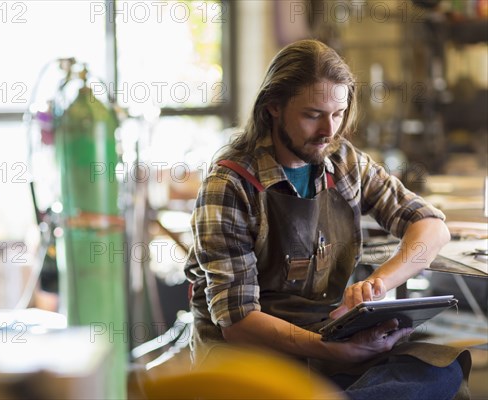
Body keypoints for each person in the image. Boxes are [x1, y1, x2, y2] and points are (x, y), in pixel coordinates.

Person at [184, 39, 470, 399]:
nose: (328, 130)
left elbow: (431, 226)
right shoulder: (229, 186)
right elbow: (237, 323)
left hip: (325, 338)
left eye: (337, 113)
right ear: (273, 106)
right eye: (312, 114)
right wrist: (331, 349)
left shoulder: (344, 162)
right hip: (249, 358)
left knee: (443, 370)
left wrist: (378, 284)